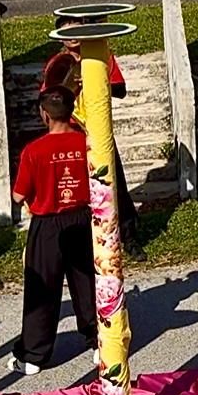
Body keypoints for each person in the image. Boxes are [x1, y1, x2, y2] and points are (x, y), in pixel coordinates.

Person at [9, 87, 97, 376]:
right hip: (83, 218)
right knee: (87, 281)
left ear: (43, 113)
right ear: (72, 110)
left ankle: (34, 355)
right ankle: (100, 341)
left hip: (47, 223)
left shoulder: (33, 150)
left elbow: (19, 196)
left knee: (42, 288)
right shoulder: (87, 143)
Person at [42, 14, 141, 257]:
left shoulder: (101, 55)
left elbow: (120, 89)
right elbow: (47, 99)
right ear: (61, 38)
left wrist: (94, 80)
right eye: (67, 31)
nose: (73, 36)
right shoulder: (57, 63)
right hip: (72, 131)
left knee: (114, 183)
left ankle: (130, 238)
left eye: (76, 28)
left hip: (99, 129)